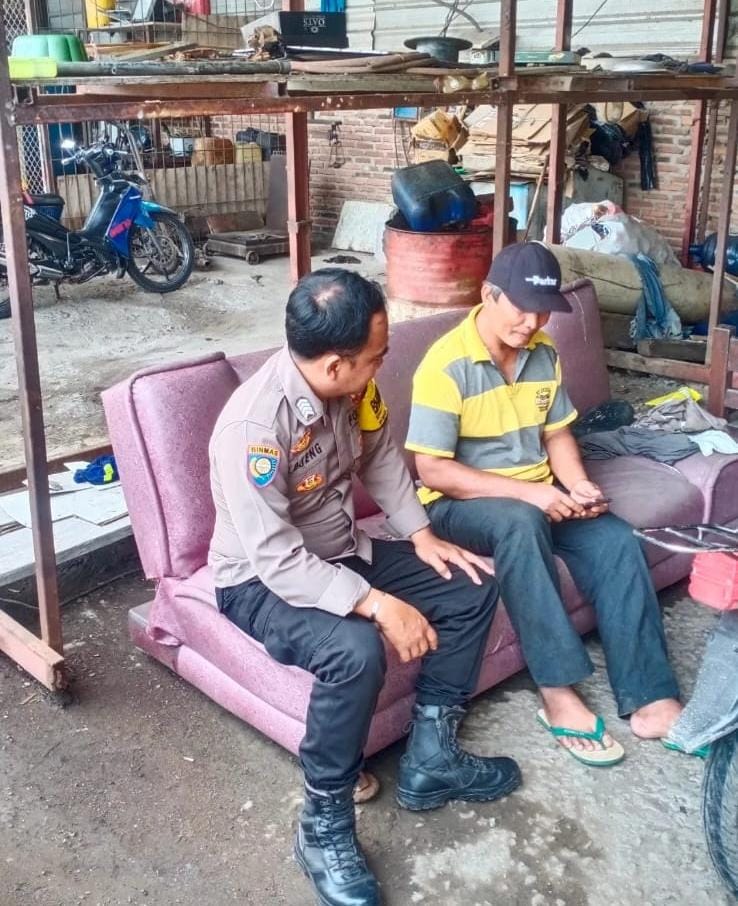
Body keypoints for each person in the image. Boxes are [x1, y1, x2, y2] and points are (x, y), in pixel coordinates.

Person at [208, 268, 521, 906]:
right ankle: (322, 821)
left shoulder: (356, 388)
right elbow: (276, 559)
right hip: (260, 581)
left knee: (466, 583)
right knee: (355, 651)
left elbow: (378, 457)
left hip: (343, 553)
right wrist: (376, 605)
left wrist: (422, 535)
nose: (383, 365)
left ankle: (431, 756)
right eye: (376, 357)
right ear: (334, 364)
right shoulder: (254, 429)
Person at [405, 242, 683, 768]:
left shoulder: (543, 353)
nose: (531, 322)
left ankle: (649, 692)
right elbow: (433, 471)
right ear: (488, 294)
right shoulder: (445, 365)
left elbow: (556, 435)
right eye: (521, 308)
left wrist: (577, 487)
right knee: (520, 520)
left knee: (616, 538)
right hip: (458, 506)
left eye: (542, 311)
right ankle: (557, 690)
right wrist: (532, 493)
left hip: (539, 495)